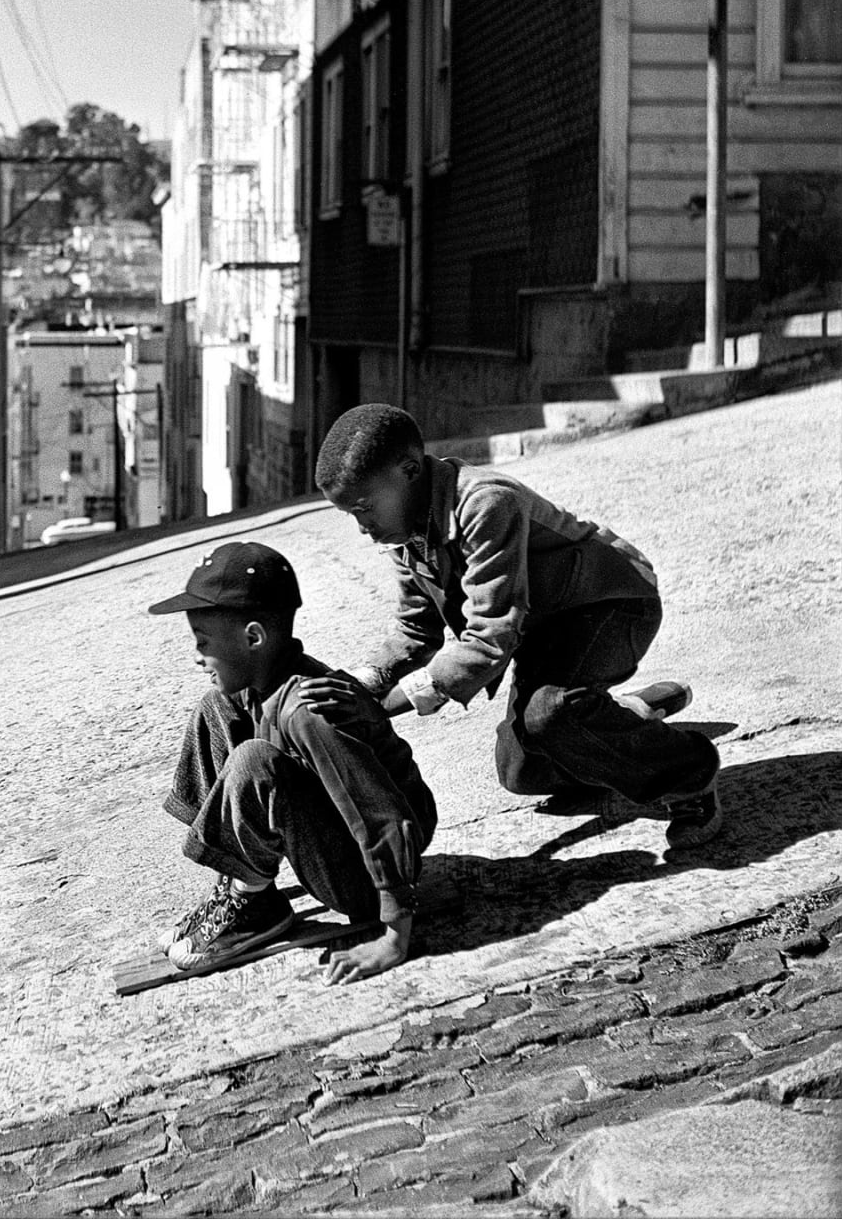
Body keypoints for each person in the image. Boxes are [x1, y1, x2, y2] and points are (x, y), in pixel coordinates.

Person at [312, 404, 722, 850]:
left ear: (409, 471)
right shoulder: (406, 529)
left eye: (364, 508)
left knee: (549, 714)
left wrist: (385, 707)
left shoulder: (486, 502)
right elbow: (415, 631)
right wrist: (360, 684)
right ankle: (625, 720)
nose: (361, 527)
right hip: (546, 626)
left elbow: (491, 637)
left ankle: (689, 776)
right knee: (521, 773)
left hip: (611, 603)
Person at [152, 541, 437, 983]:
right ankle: (248, 889)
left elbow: (383, 816)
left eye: (203, 643)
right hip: (337, 840)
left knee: (253, 761)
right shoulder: (257, 682)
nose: (196, 655)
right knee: (215, 708)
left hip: (365, 876)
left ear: (253, 637)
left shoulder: (309, 710)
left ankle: (253, 901)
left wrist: (394, 937)